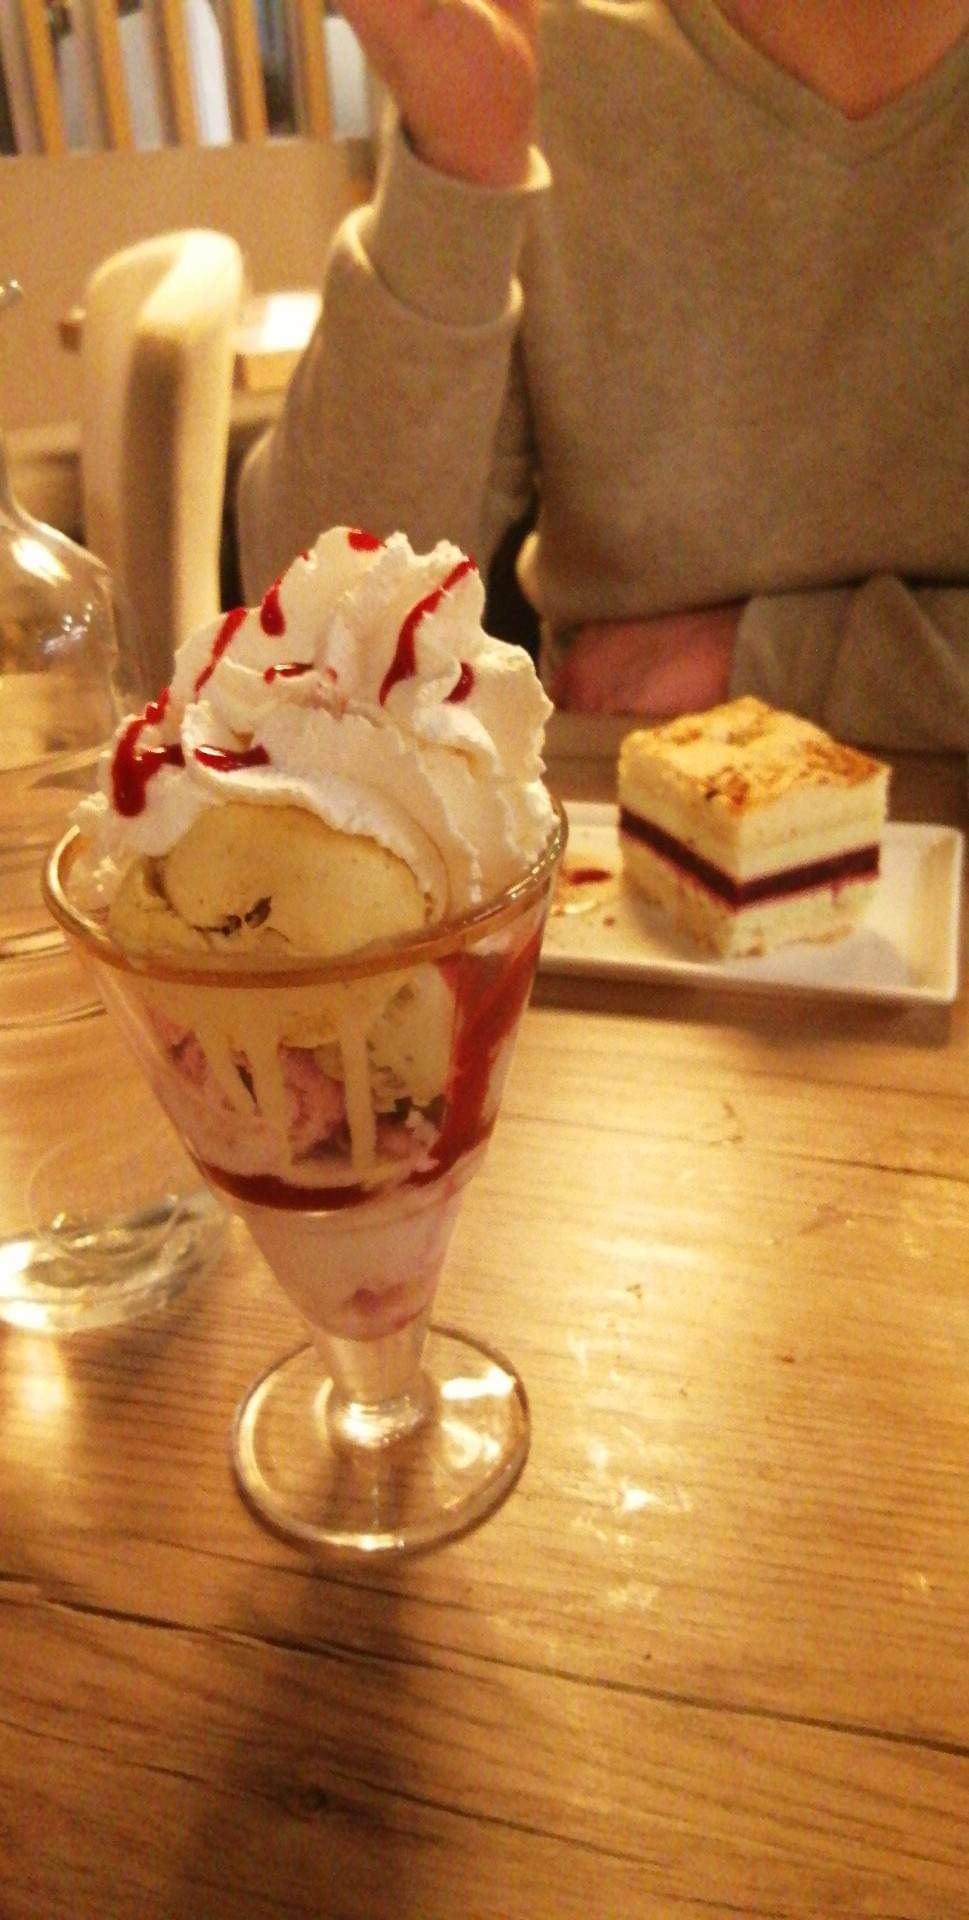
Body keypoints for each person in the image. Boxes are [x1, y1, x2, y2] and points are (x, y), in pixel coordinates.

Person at [237, 0, 969, 749]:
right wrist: (464, 166)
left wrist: (769, 662)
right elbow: (307, 641)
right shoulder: (539, 49)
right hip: (617, 801)